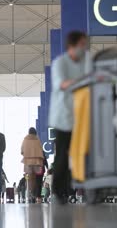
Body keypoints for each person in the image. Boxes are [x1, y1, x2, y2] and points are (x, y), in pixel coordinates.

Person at [48, 31, 88, 203]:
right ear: (72, 46)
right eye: (81, 45)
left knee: (80, 155)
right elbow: (61, 84)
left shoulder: (86, 61)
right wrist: (81, 81)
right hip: (63, 117)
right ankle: (57, 192)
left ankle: (73, 191)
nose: (84, 48)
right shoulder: (60, 63)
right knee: (62, 157)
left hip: (82, 117)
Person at [21, 127, 45, 203]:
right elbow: (41, 150)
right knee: (38, 179)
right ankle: (38, 196)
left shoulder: (25, 140)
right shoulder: (37, 140)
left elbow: (22, 151)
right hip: (37, 162)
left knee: (30, 180)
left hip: (28, 162)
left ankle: (31, 195)